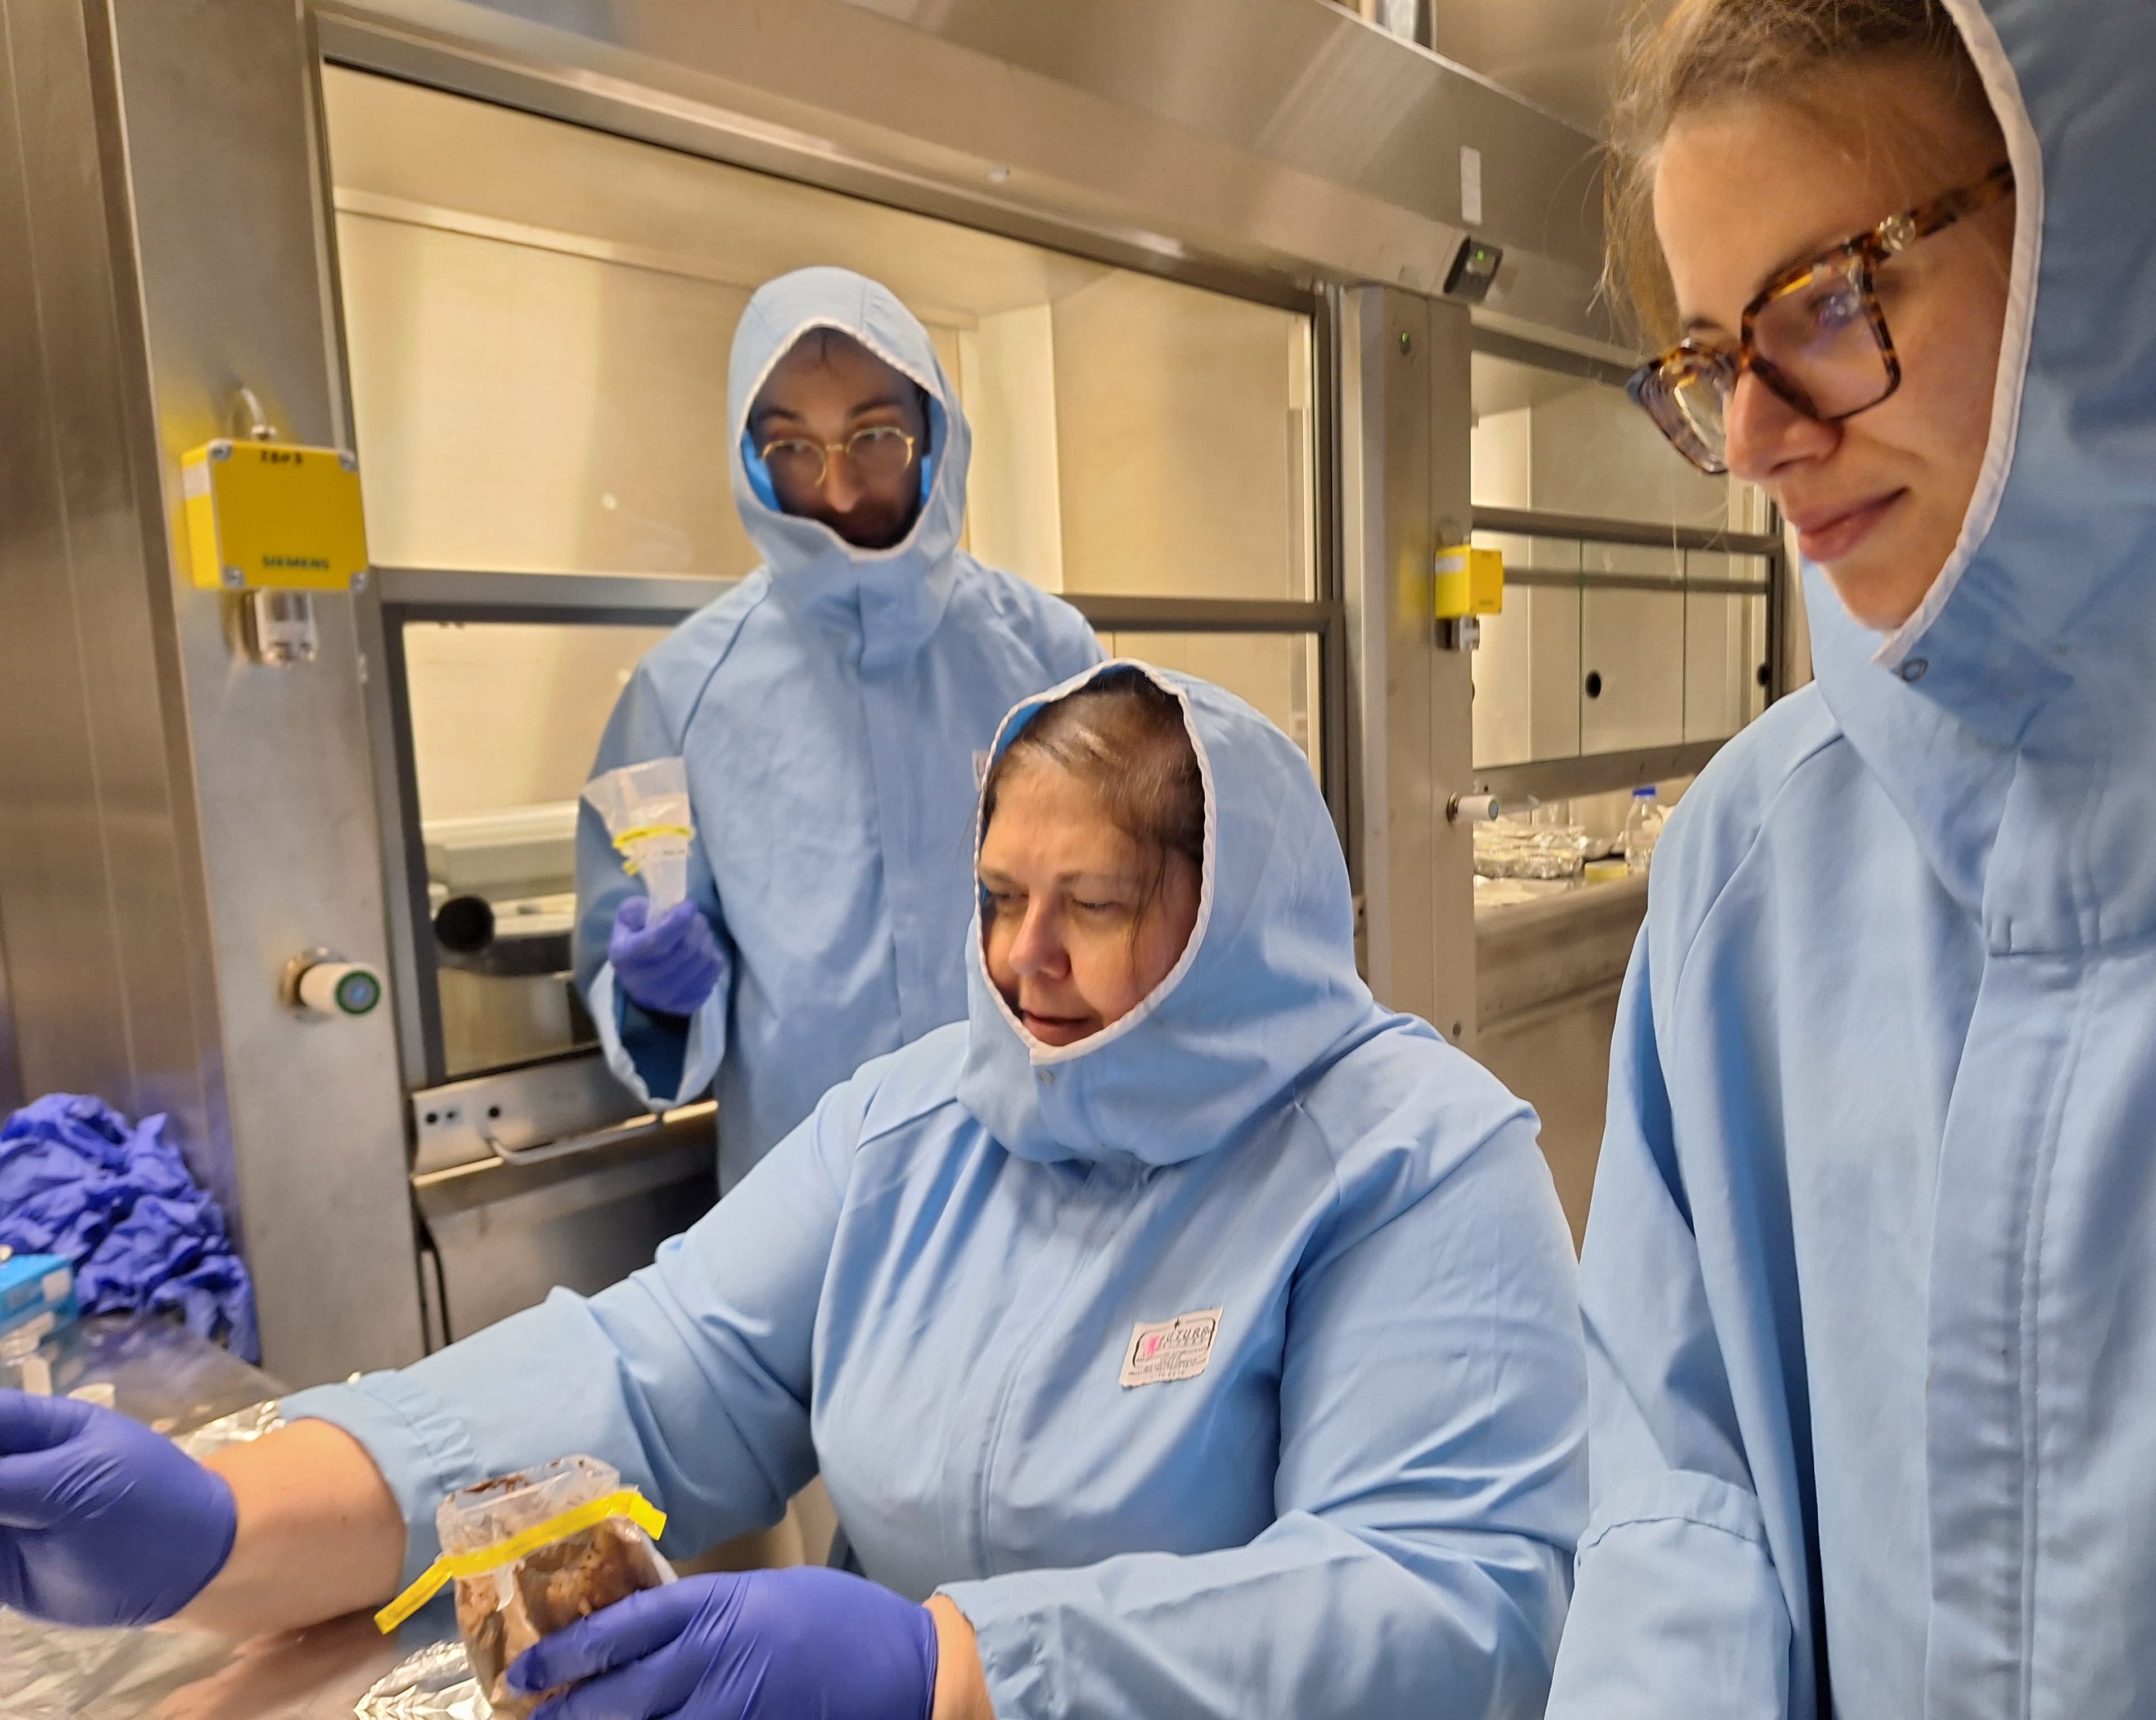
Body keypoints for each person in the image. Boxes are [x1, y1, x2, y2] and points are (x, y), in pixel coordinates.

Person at [0, 665, 1589, 1719]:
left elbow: (1447, 1599)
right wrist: (240, 1512)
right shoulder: (920, 1123)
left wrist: (953, 1663)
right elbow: (658, 1367)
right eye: (999, 897)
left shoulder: (1407, 1158)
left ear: (1235, 909)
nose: (1023, 957)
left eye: (1094, 904)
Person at [1547, 0, 2156, 1715]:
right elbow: (1683, 1476)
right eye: (1712, 356)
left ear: (2123, 244)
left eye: (1827, 302)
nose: (1750, 442)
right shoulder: (1752, 865)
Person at [580, 265, 1103, 1186]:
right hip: (812, 1193)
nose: (839, 488)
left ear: (934, 436)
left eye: (874, 436)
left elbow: (1124, 907)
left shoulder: (1046, 653)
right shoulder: (686, 692)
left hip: (1039, 1162)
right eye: (792, 446)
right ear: (751, 457)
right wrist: (656, 998)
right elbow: (652, 1001)